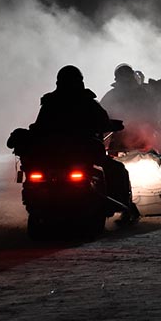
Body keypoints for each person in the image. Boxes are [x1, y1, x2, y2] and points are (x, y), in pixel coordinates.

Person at [30, 65, 138, 222]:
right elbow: (102, 121)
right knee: (117, 170)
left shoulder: (50, 102)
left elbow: (38, 126)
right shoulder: (86, 101)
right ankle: (124, 208)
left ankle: (119, 207)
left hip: (57, 157)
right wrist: (111, 125)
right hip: (82, 155)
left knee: (114, 170)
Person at [101, 64, 154, 152]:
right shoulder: (112, 95)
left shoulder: (142, 94)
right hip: (119, 138)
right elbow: (102, 113)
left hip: (141, 136)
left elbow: (152, 112)